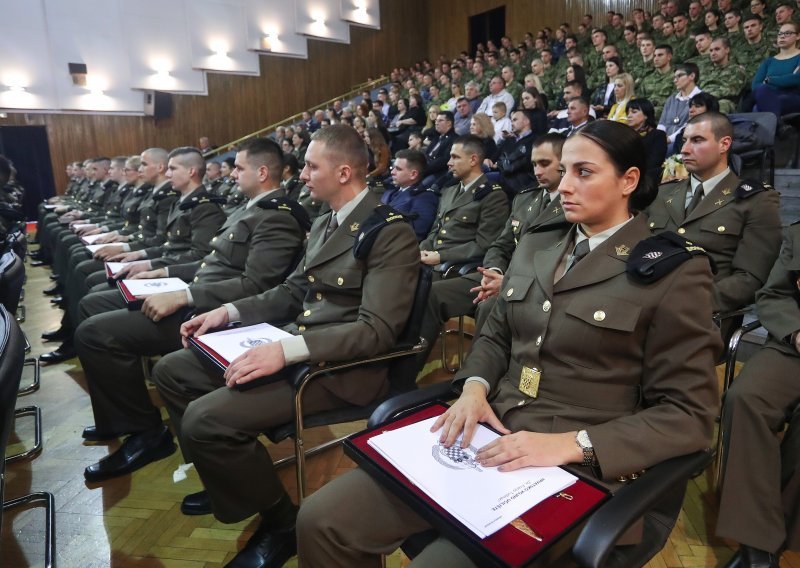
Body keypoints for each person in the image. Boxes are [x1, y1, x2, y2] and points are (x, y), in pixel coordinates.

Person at [297, 119, 722, 568]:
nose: (563, 188)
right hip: (488, 433)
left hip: (577, 463)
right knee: (322, 520)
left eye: (584, 172)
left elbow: (690, 416)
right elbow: (497, 333)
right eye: (564, 172)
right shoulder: (538, 244)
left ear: (629, 181)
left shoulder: (673, 270)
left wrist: (573, 444)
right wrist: (475, 387)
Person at [151, 125, 420, 568]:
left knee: (205, 419)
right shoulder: (324, 222)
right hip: (298, 345)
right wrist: (229, 312)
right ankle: (230, 477)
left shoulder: (389, 231)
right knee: (174, 371)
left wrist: (288, 350)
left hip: (340, 369)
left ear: (345, 172)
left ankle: (279, 521)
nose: (304, 175)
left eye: (313, 167)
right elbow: (292, 293)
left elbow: (376, 332)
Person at [73, 138, 307, 481]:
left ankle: (145, 432)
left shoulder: (277, 216)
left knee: (96, 334)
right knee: (94, 307)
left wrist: (185, 296)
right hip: (199, 298)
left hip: (215, 310)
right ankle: (128, 422)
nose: (232, 173)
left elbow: (256, 286)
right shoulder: (250, 208)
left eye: (239, 168)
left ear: (261, 172)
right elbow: (209, 263)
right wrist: (169, 278)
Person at [715, 220, 800, 568]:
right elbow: (774, 294)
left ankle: (764, 544)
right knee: (745, 399)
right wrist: (795, 333)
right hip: (794, 345)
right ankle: (759, 548)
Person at [646, 112, 783, 316]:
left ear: (724, 144)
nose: (684, 150)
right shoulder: (663, 193)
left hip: (701, 316)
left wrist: (684, 305)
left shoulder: (756, 200)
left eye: (697, 140)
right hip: (642, 305)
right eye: (684, 141)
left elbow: (750, 277)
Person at [381, 149, 439, 241]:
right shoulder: (391, 191)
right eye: (393, 167)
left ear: (413, 174)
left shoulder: (424, 198)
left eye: (398, 169)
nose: (392, 172)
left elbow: (414, 234)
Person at [747, 22, 800, 122]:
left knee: (759, 107)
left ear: (797, 36)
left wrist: (770, 80)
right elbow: (755, 85)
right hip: (769, 95)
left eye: (787, 33)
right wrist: (785, 80)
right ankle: (780, 127)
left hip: (794, 96)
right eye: (780, 34)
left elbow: (797, 79)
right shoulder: (769, 61)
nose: (782, 37)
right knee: (761, 93)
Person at [658, 63, 702, 148]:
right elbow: (662, 123)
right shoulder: (671, 99)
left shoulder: (701, 98)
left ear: (692, 76)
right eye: (674, 77)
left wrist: (670, 139)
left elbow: (691, 125)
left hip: (685, 142)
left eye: (679, 76)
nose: (675, 80)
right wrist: (659, 138)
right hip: (665, 142)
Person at [627, 99, 668, 186]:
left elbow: (654, 163)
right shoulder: (625, 135)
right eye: (628, 113)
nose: (629, 116)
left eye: (634, 112)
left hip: (645, 181)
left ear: (646, 115)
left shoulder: (658, 135)